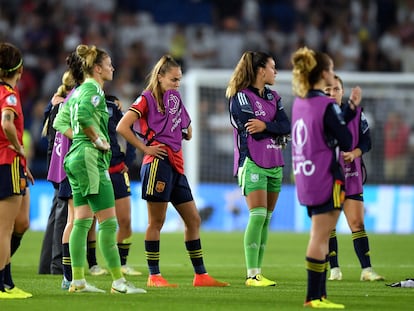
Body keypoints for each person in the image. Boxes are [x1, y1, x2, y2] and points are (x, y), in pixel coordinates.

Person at [116, 54, 229, 288]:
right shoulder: (146, 98)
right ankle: (154, 275)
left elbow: (186, 127)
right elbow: (122, 126)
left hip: (176, 164)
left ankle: (200, 275)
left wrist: (187, 132)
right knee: (156, 221)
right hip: (157, 164)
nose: (177, 84)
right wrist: (145, 147)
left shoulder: (175, 98)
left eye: (179, 79)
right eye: (174, 79)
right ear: (160, 77)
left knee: (194, 219)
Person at [53, 44, 145, 294]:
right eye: (109, 64)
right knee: (107, 223)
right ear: (97, 68)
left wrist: (81, 139)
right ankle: (118, 283)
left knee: (82, 221)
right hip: (91, 159)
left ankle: (78, 281)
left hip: (74, 158)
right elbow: (83, 115)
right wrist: (95, 140)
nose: (112, 67)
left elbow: (60, 121)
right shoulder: (93, 89)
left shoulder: (78, 90)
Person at [291, 46, 357, 309]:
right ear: (322, 74)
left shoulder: (300, 102)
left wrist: (348, 109)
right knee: (320, 236)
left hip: (306, 177)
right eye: (329, 69)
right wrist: (348, 112)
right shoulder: (326, 105)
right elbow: (346, 139)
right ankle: (315, 297)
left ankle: (317, 296)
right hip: (326, 177)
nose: (332, 73)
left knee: (318, 234)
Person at [225, 51, 291, 287]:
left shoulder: (274, 97)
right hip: (252, 161)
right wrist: (272, 127)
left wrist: (267, 125)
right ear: (261, 70)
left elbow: (286, 125)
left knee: (266, 219)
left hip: (275, 162)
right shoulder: (241, 97)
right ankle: (252, 274)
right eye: (273, 67)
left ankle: (258, 272)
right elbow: (250, 127)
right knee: (258, 215)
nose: (276, 72)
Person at [324, 75, 384, 282]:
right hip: (328, 177)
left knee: (357, 223)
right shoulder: (318, 116)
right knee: (329, 225)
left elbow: (367, 141)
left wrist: (356, 153)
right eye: (327, 90)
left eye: (335, 89)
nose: (331, 93)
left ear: (342, 92)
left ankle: (366, 270)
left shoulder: (358, 114)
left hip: (352, 174)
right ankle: (335, 270)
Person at [0, 42, 33, 299]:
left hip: (15, 165)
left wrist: (23, 165)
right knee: (5, 228)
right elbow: (7, 123)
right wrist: (19, 148)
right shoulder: (9, 94)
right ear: (18, 68)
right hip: (7, 160)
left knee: (22, 222)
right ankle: (3, 284)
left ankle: (6, 279)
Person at [105, 94, 141, 276]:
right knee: (89, 221)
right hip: (96, 168)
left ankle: (122, 263)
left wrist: (129, 159)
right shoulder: (83, 103)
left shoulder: (112, 108)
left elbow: (130, 131)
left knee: (125, 221)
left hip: (117, 170)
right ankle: (93, 264)